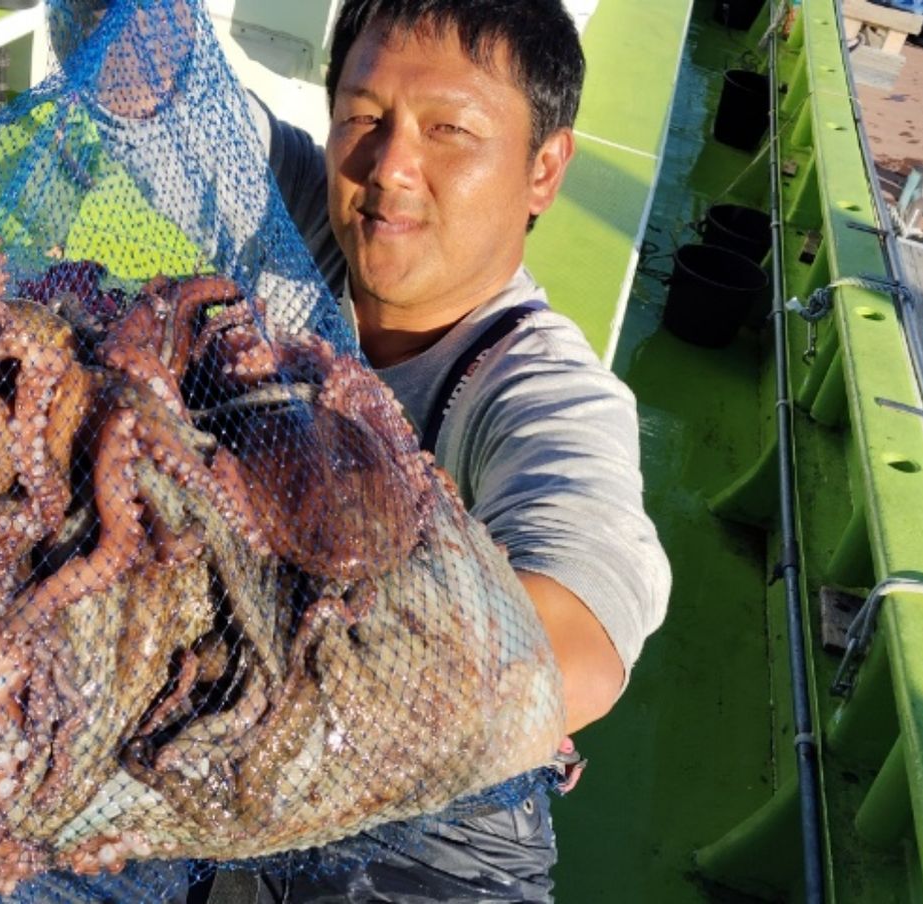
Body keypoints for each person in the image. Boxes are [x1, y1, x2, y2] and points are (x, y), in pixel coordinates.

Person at [195, 0, 671, 900]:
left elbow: (576, 639)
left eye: (450, 129)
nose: (390, 170)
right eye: (365, 118)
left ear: (544, 169)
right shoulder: (296, 221)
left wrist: (262, 700)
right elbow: (154, 89)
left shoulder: (541, 394)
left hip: (404, 834)